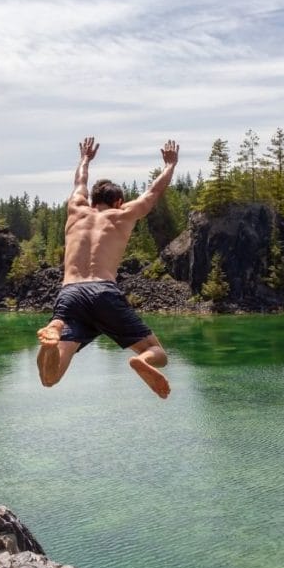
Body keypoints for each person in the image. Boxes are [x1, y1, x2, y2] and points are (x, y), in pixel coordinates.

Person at [36, 136, 179, 398]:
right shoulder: (122, 214)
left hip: (70, 295)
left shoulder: (76, 208)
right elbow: (153, 193)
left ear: (92, 202)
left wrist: (85, 159)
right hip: (104, 292)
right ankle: (141, 362)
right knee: (158, 354)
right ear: (118, 202)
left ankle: (51, 337)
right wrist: (170, 165)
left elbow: (79, 181)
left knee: (50, 378)